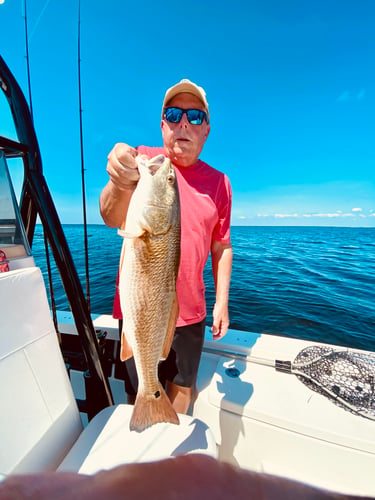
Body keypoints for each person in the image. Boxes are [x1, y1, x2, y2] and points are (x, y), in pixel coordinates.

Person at [100, 79, 233, 414]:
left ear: (206, 131)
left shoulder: (220, 184)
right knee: (141, 385)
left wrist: (222, 303)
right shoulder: (147, 162)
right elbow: (109, 214)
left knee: (183, 387)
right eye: (173, 115)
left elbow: (222, 246)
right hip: (140, 307)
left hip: (191, 313)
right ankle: (147, 430)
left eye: (195, 117)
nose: (183, 123)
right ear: (163, 125)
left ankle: (170, 450)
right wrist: (119, 173)